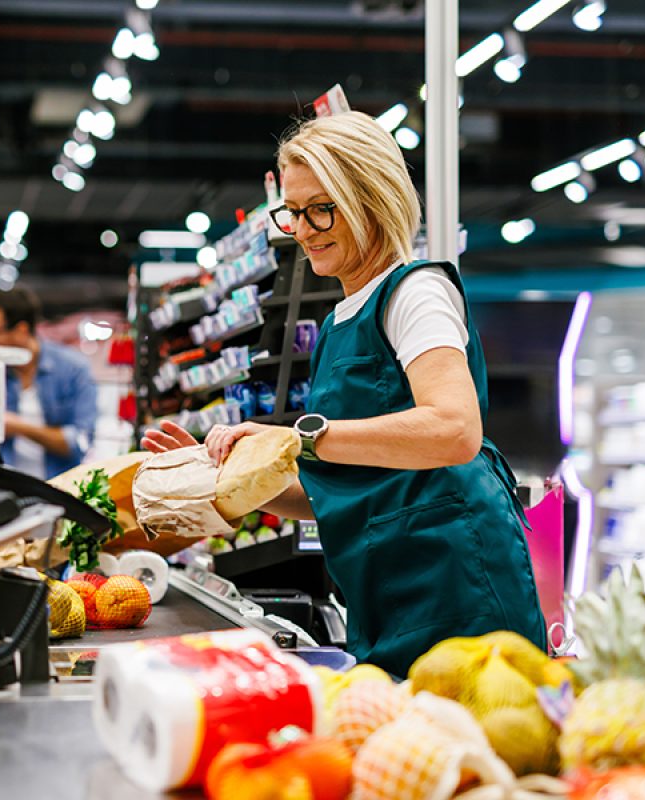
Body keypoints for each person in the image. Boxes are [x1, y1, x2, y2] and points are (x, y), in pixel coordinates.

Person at [143, 111, 547, 677]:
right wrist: (225, 479)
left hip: (455, 580)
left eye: (320, 208)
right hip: (385, 586)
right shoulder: (339, 322)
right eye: (292, 212)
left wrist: (302, 437)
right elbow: (334, 489)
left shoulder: (415, 294)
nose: (303, 229)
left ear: (371, 197)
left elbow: (455, 431)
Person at [0, 286, 98, 479]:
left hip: (60, 491)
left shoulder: (73, 370)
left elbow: (80, 442)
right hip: (2, 490)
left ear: (21, 330)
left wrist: (19, 427)